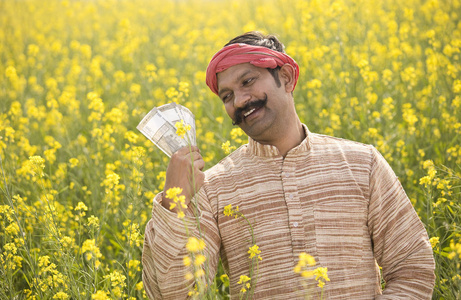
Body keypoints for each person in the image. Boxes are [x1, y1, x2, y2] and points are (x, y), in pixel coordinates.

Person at [142, 32, 435, 299]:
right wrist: (173, 202)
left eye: (248, 81)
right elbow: (177, 294)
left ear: (287, 76)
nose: (241, 101)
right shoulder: (213, 187)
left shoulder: (362, 164)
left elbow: (412, 269)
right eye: (227, 96)